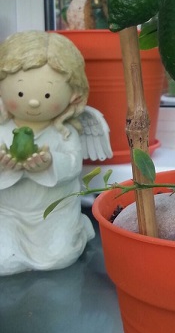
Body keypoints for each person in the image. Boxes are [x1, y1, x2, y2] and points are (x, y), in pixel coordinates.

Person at [0, 31, 110, 275]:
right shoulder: (2, 130)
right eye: (20, 94)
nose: (34, 103)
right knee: (4, 262)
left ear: (74, 95)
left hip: (54, 213)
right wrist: (4, 164)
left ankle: (77, 229)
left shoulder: (65, 133)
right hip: (8, 214)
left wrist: (49, 164)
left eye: (48, 95)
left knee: (60, 257)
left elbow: (73, 164)